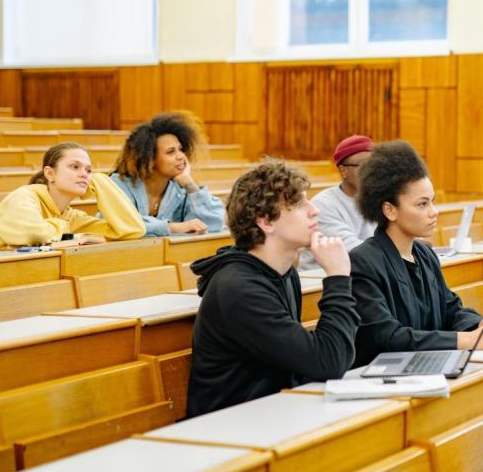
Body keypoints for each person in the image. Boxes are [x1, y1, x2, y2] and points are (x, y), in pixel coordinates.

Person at [186, 159, 360, 416]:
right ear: (266, 222)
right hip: (228, 427)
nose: (314, 211)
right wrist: (338, 277)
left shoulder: (285, 272)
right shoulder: (239, 289)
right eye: (299, 204)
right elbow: (328, 362)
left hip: (271, 410)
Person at [349, 140, 483, 368]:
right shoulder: (363, 261)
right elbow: (387, 336)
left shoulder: (424, 254)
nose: (433, 212)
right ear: (390, 210)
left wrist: (480, 326)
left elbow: (450, 308)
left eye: (433, 202)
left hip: (425, 365)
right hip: (381, 376)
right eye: (422, 204)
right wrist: (468, 340)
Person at [0, 142, 145, 253]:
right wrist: (78, 236)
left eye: (88, 170)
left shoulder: (70, 216)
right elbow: (35, 234)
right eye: (75, 167)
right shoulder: (24, 197)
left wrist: (99, 180)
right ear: (50, 174)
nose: (84, 174)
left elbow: (133, 230)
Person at [110, 111, 224, 236]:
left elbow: (214, 223)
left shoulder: (181, 189)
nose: (181, 156)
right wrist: (172, 227)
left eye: (180, 150)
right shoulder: (119, 185)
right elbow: (120, 222)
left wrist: (189, 183)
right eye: (171, 152)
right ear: (150, 159)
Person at [298, 134, 377, 270]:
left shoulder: (380, 199)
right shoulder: (323, 205)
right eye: (363, 165)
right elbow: (355, 252)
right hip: (319, 282)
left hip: (362, 276)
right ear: (343, 171)